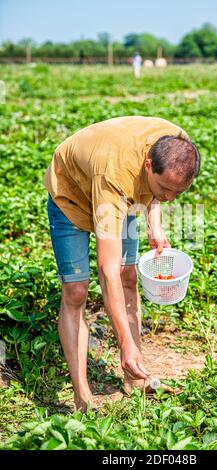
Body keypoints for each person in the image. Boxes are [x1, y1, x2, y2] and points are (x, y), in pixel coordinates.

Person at [44, 116, 201, 411]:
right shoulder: (114, 178)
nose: (169, 198)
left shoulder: (177, 143)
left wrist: (155, 225)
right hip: (72, 196)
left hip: (125, 191)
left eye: (177, 194)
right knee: (77, 291)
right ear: (147, 166)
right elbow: (107, 269)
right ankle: (82, 396)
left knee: (130, 275)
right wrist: (124, 343)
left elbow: (157, 190)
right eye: (164, 189)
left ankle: (136, 378)